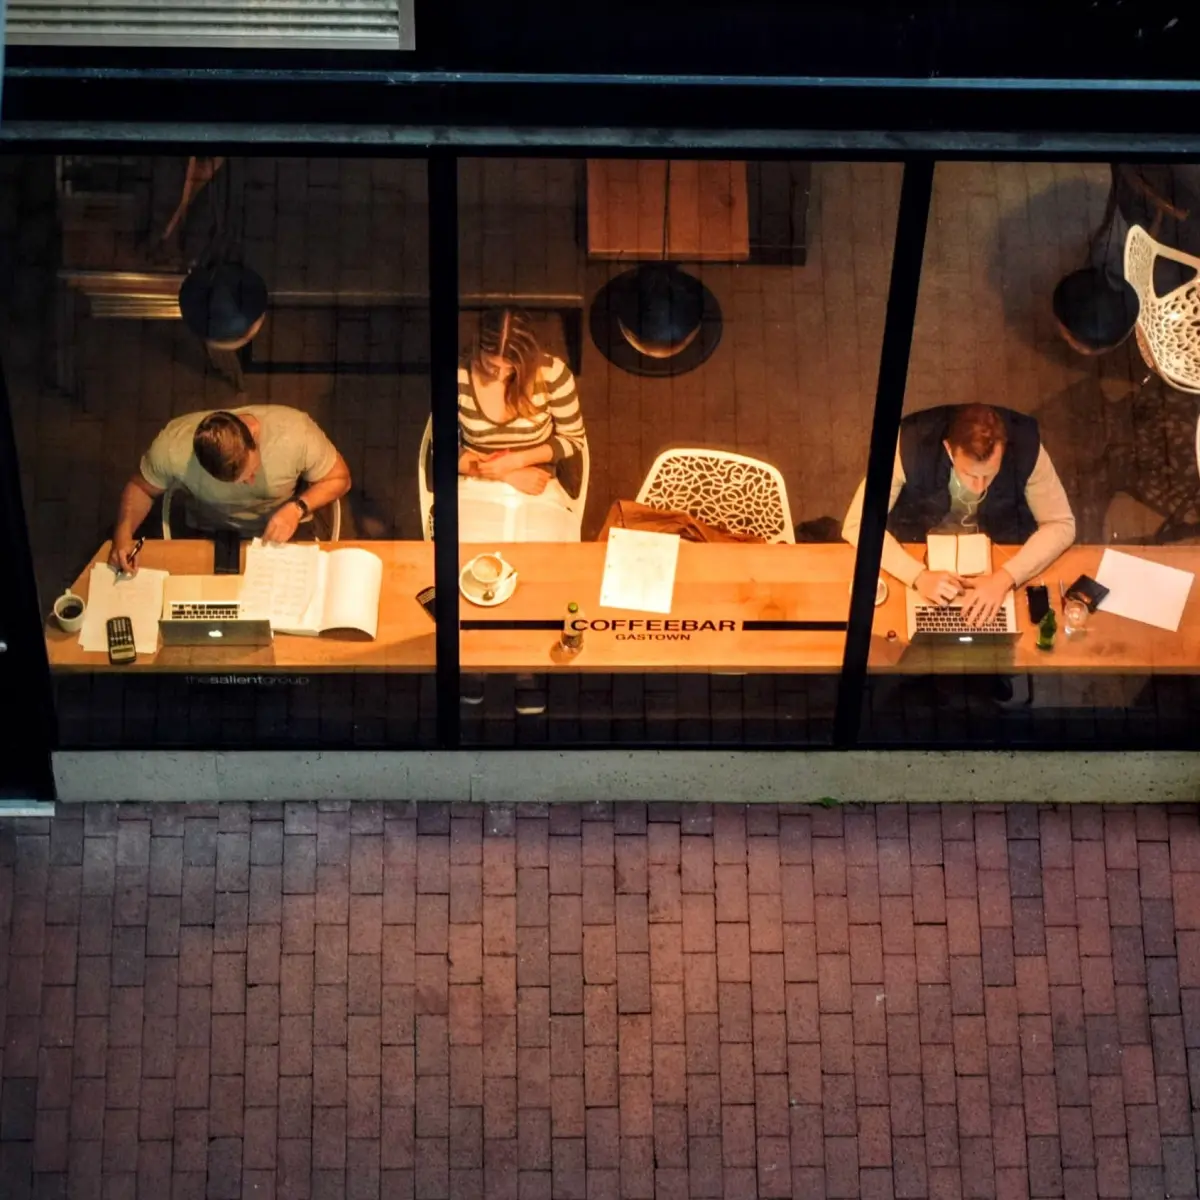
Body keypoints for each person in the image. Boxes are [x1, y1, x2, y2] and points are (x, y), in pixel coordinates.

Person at [842, 403, 1076, 626]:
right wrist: (917, 576)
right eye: (970, 474)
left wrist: (1005, 579)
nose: (980, 487)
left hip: (998, 545)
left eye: (989, 474)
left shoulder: (1027, 447)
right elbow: (857, 524)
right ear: (948, 449)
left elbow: (1061, 524)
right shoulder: (908, 445)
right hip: (921, 540)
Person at [108, 406, 352, 574]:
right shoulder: (171, 448)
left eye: (253, 472)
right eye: (235, 482)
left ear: (253, 436)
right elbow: (140, 488)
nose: (249, 483)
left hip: (286, 531)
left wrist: (298, 507)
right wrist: (123, 533)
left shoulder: (297, 434)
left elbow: (340, 478)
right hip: (211, 535)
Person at [457, 308, 585, 498]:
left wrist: (517, 461)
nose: (500, 376)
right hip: (474, 479)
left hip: (538, 478)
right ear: (478, 348)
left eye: (511, 369)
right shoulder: (458, 376)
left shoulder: (553, 374)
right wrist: (506, 475)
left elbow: (573, 439)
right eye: (490, 366)